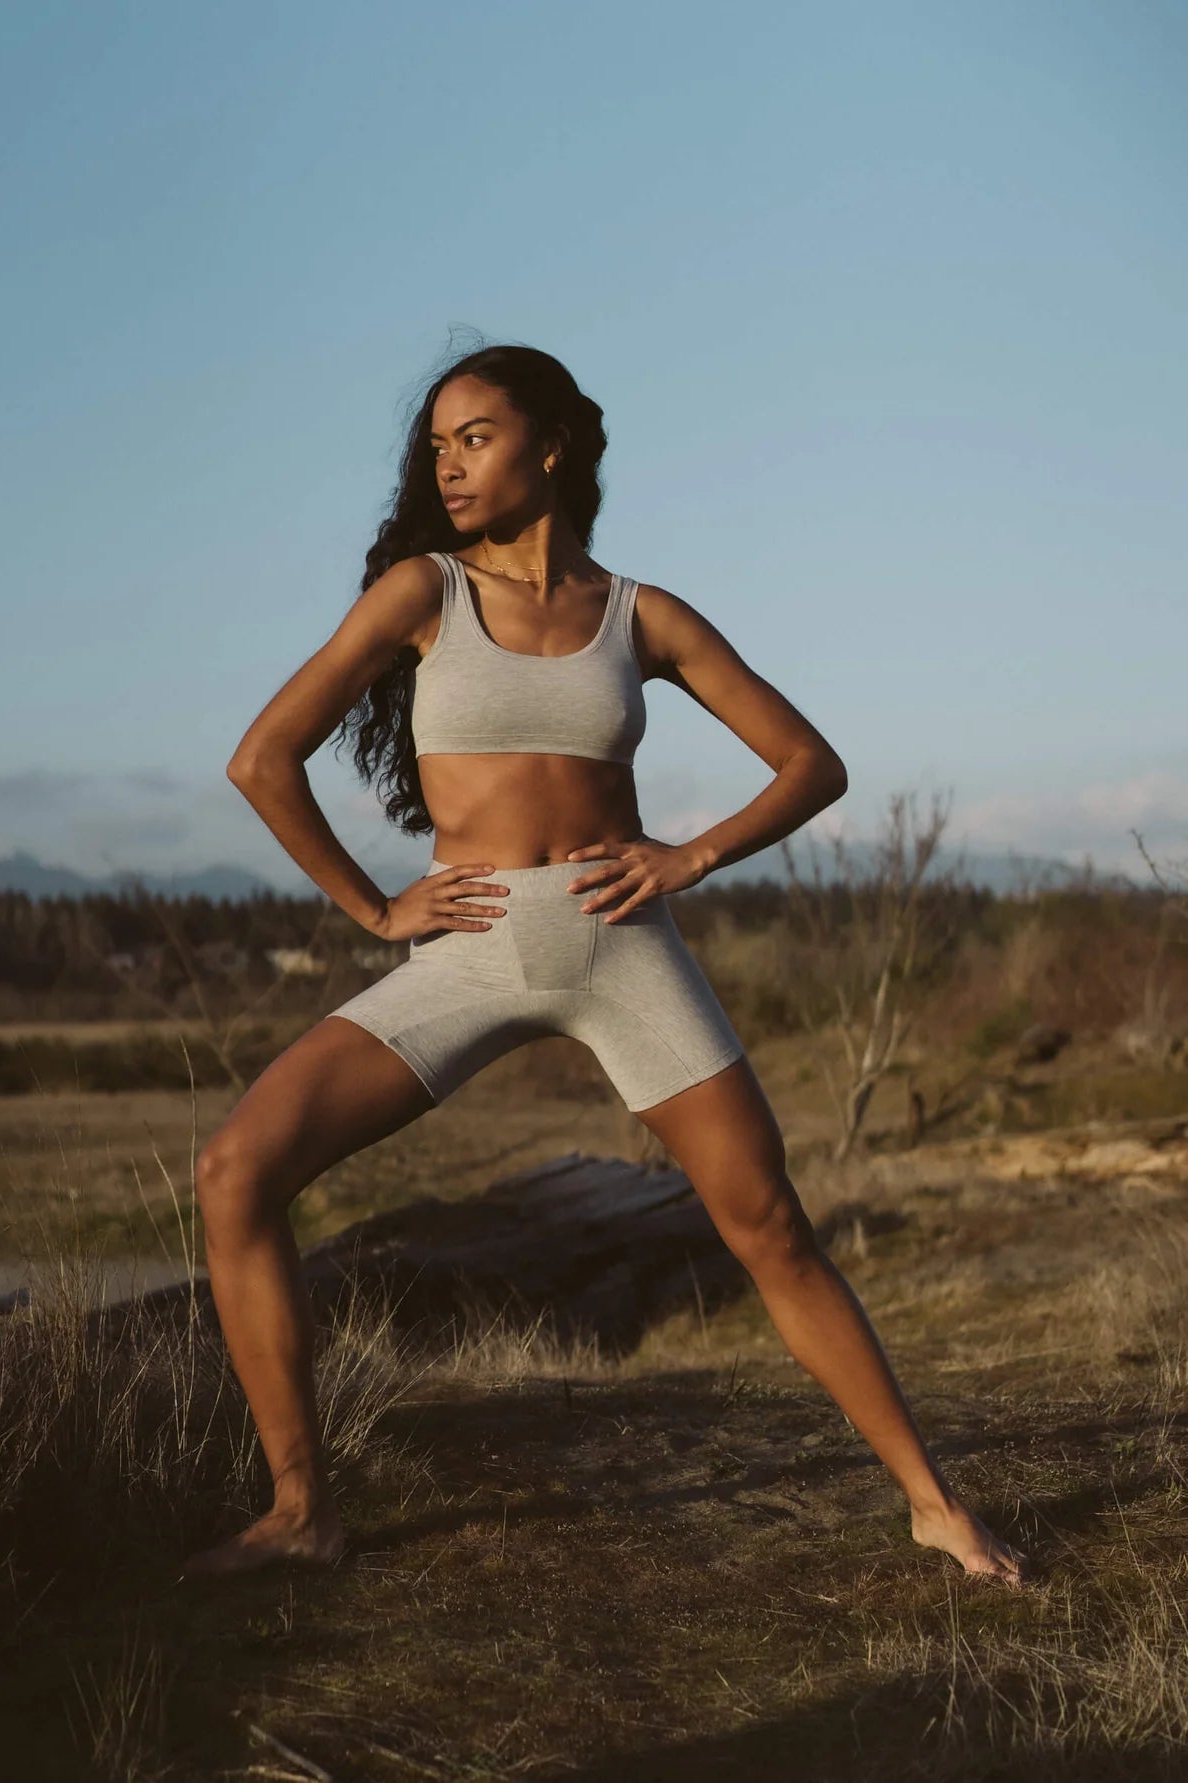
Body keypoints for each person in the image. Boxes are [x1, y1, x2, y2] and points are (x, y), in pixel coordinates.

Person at [182, 343, 1024, 1585]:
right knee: (234, 1169)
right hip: (468, 945)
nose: (449, 463)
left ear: (551, 446)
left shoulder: (643, 614)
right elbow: (263, 757)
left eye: (473, 436)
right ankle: (302, 1508)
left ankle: (933, 1505)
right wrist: (373, 908)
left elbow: (810, 764)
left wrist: (690, 856)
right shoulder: (422, 595)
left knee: (767, 1223)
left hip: (620, 943)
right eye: (437, 447)